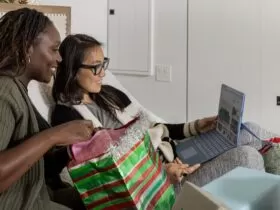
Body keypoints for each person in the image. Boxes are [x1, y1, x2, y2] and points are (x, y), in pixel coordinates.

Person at [51, 34, 264, 187]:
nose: (102, 73)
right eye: (95, 66)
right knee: (246, 157)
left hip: (175, 155)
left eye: (103, 63)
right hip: (159, 184)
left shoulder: (109, 94)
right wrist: (162, 175)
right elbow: (104, 174)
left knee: (249, 130)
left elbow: (154, 128)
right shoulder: (68, 117)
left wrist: (198, 126)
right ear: (72, 70)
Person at [0, 9, 95, 210]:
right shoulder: (4, 90)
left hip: (40, 196)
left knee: (104, 197)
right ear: (27, 48)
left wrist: (76, 144)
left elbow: (33, 160)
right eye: (54, 49)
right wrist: (54, 135)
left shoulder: (19, 90)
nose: (59, 59)